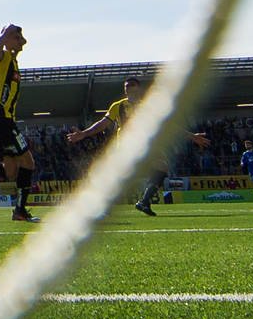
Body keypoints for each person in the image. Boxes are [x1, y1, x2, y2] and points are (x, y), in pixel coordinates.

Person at [65, 76, 209, 216]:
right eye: (126, 86)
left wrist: (192, 136)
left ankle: (144, 202)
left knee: (162, 167)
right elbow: (103, 123)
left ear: (138, 88)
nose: (128, 88)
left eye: (131, 85)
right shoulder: (118, 106)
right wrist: (84, 133)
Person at [0, 24, 39, 223]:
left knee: (11, 170)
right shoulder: (4, 57)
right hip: (1, 119)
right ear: (7, 39)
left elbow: (23, 42)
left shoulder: (13, 60)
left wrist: (17, 38)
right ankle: (20, 210)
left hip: (4, 119)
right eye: (16, 38)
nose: (20, 42)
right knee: (28, 163)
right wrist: (7, 32)